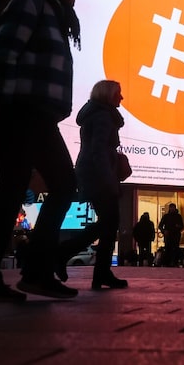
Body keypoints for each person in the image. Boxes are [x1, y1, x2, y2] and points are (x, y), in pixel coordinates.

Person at [0, 0, 82, 302]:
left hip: (39, 115)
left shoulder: (55, 15)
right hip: (19, 110)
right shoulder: (31, 4)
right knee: (19, 189)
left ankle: (31, 273)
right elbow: (3, 51)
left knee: (52, 186)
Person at [50, 80, 128, 290]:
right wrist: (108, 179)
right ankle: (65, 253)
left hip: (93, 173)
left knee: (109, 224)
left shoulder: (97, 114)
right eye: (118, 94)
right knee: (110, 222)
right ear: (108, 95)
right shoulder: (103, 116)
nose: (121, 98)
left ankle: (100, 273)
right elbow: (98, 150)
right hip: (99, 175)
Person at [158, 203, 184, 267]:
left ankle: (174, 262)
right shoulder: (166, 216)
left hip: (175, 235)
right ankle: (168, 262)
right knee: (168, 248)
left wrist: (178, 227)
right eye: (171, 207)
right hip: (169, 235)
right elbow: (160, 225)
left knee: (175, 248)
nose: (172, 209)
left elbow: (182, 226)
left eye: (173, 208)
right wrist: (164, 231)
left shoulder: (178, 216)